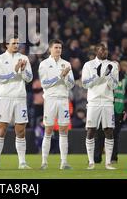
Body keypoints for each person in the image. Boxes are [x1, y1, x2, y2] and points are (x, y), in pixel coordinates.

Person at [0, 34, 33, 169]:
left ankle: (22, 162)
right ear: (6, 45)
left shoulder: (24, 58)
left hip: (20, 97)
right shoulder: (0, 59)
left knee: (21, 130)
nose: (16, 45)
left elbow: (29, 78)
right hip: (5, 97)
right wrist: (14, 71)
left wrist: (22, 71)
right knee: (2, 128)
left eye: (17, 43)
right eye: (13, 43)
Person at [38, 39, 75, 170]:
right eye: (56, 47)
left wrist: (65, 77)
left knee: (64, 130)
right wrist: (61, 76)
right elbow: (45, 84)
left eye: (60, 47)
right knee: (48, 130)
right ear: (50, 49)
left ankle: (64, 162)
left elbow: (71, 84)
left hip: (63, 99)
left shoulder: (66, 64)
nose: (58, 49)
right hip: (50, 99)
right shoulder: (44, 64)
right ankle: (44, 162)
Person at [82, 43, 119, 170]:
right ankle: (91, 162)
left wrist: (108, 76)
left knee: (109, 130)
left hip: (108, 102)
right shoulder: (89, 65)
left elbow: (115, 86)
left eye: (106, 50)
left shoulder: (113, 65)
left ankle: (108, 162)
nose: (105, 52)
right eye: (102, 50)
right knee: (91, 130)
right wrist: (97, 76)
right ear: (96, 51)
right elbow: (85, 84)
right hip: (93, 101)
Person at [95, 60, 127, 164]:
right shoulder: (104, 78)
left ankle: (113, 158)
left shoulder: (125, 79)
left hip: (118, 111)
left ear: (119, 68)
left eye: (116, 66)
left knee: (114, 135)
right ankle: (96, 158)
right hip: (104, 108)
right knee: (100, 134)